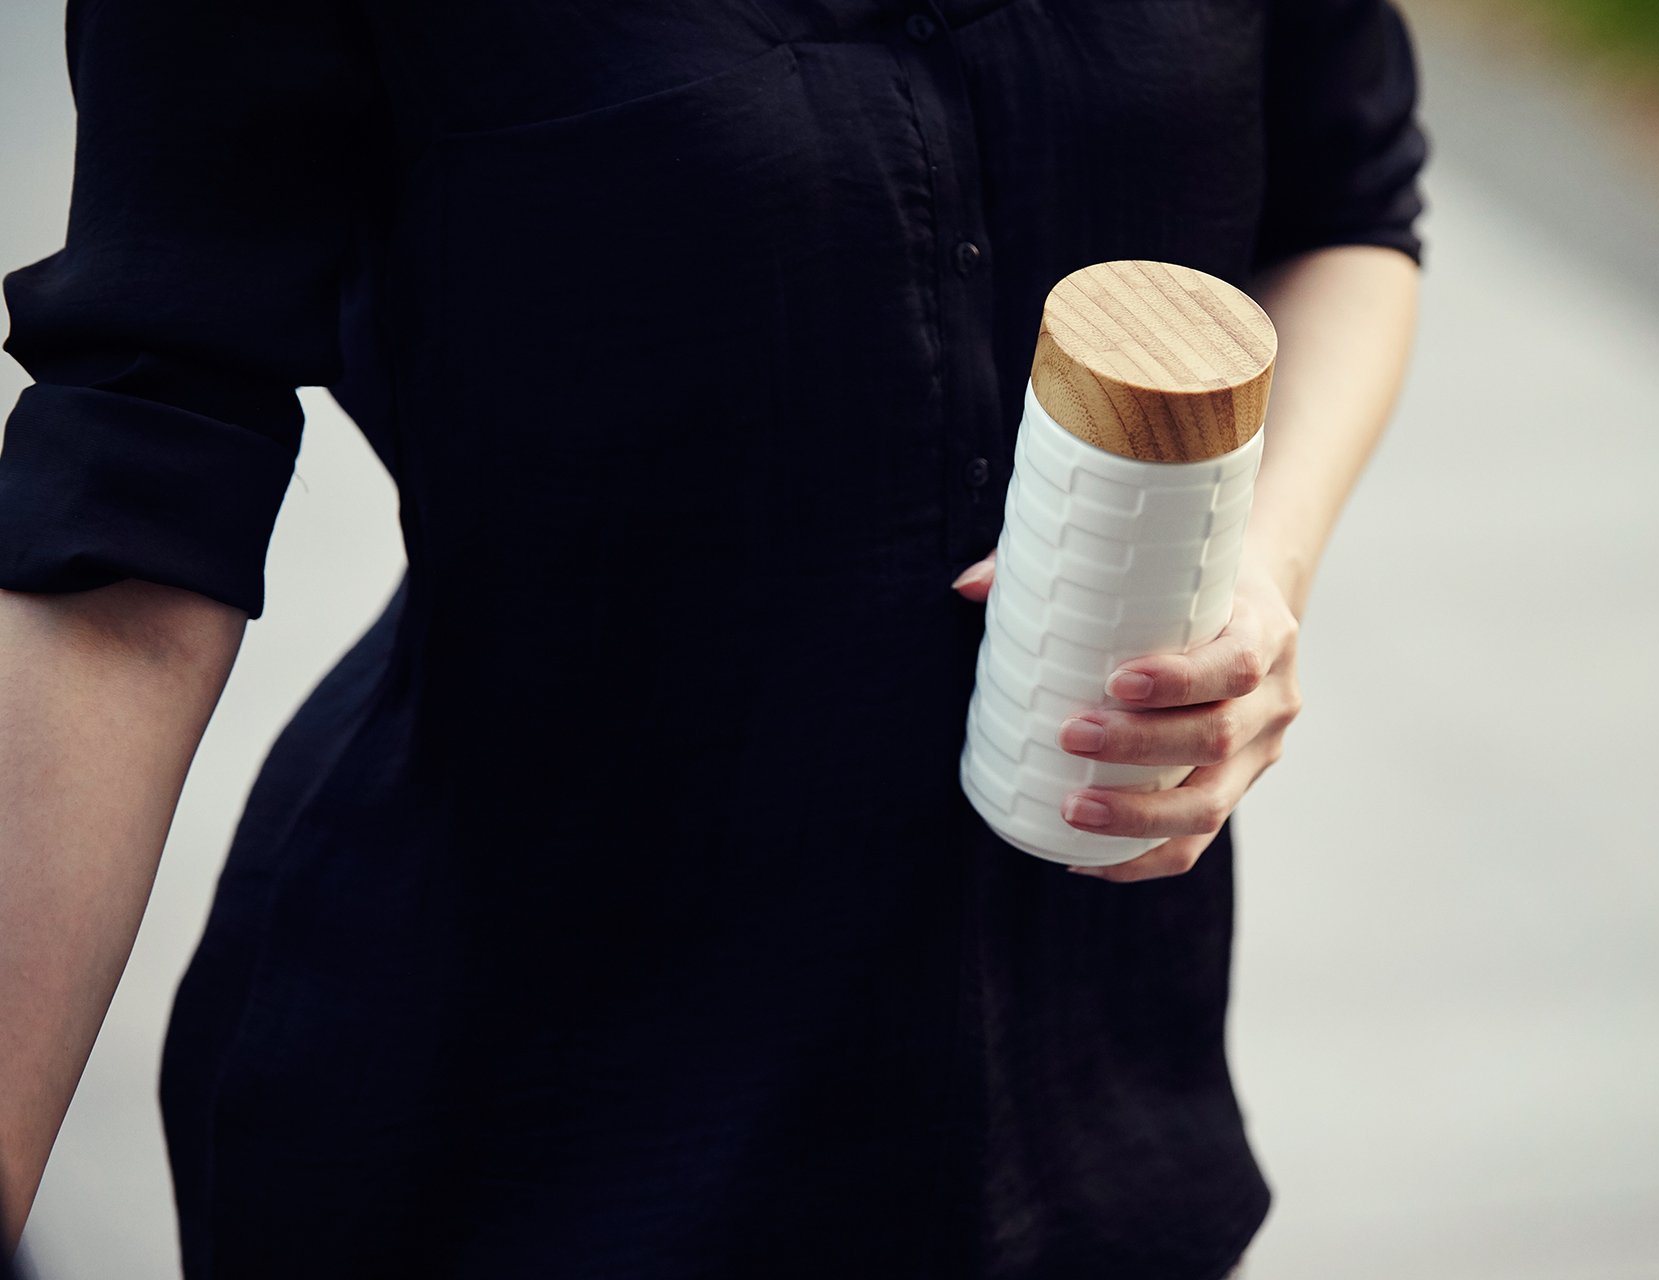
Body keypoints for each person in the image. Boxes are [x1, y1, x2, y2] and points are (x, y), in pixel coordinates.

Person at [0, 1, 1426, 1276]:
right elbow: (139, 458)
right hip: (530, 1127)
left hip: (1095, 1107)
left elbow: (1347, 205)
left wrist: (1257, 568)